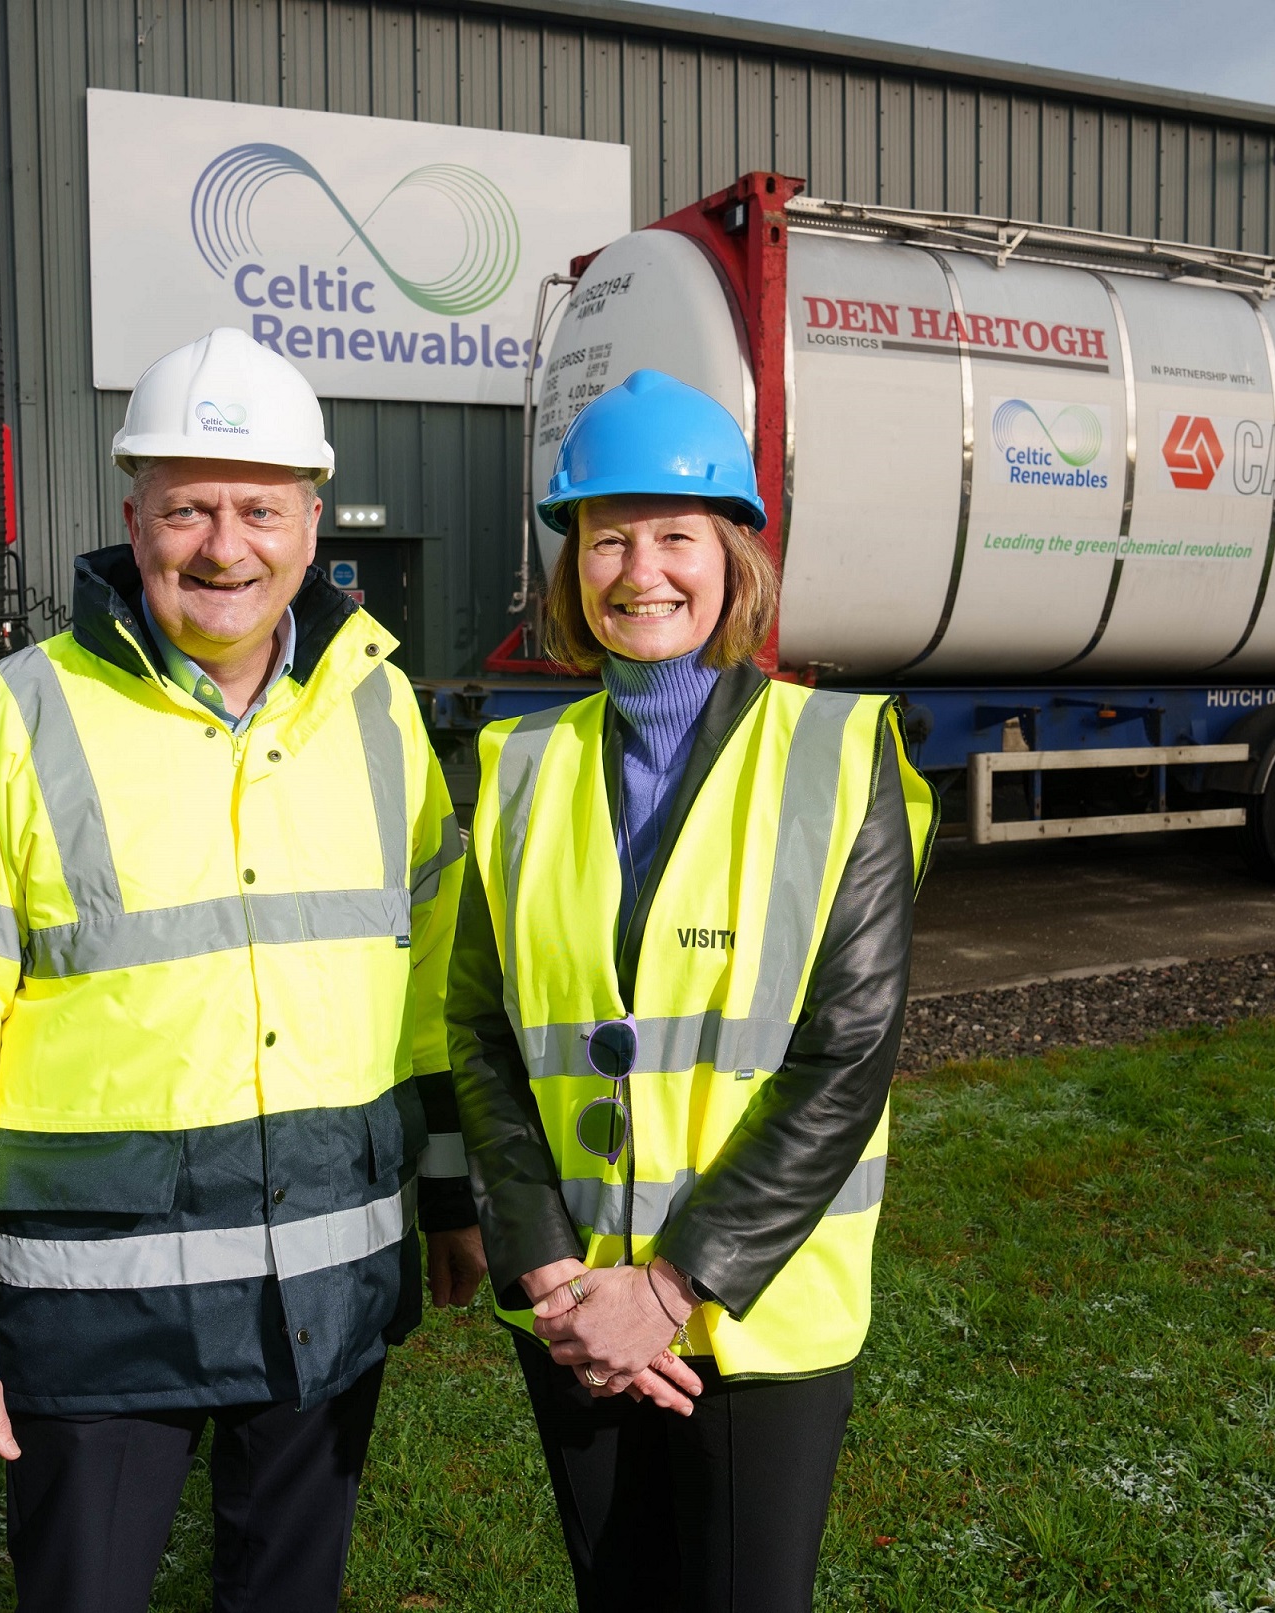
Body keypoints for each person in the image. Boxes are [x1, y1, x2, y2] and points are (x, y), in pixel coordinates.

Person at [0, 326, 486, 1613]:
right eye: (189, 508)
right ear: (132, 516)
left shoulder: (379, 708)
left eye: (258, 507)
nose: (224, 545)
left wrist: (452, 1195)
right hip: (100, 1316)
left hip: (326, 1288)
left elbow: (429, 984)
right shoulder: (13, 717)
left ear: (312, 523)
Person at [448, 368, 934, 1611]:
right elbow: (483, 1036)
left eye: (675, 535)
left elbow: (848, 1053)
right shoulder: (513, 765)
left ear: (731, 561)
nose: (639, 569)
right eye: (606, 537)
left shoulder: (835, 751)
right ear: (571, 567)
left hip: (754, 1317)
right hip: (573, 1315)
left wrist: (667, 1289)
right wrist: (553, 1274)